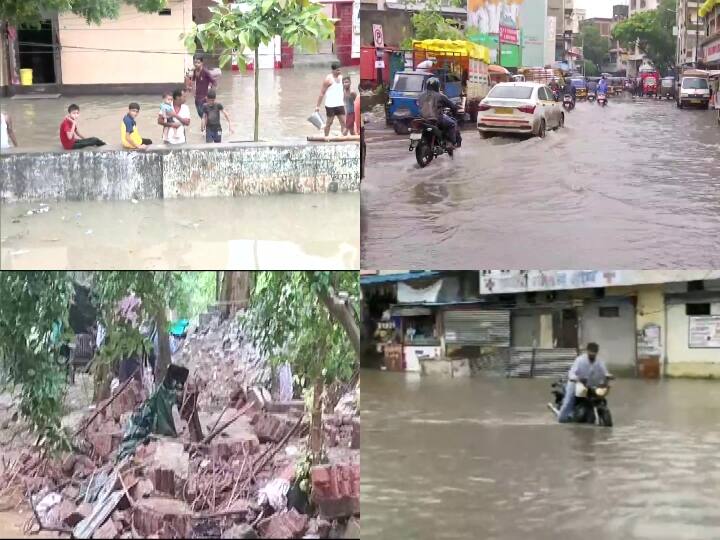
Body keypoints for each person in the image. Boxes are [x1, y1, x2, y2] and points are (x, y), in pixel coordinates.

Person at [558, 343, 610, 423]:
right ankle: (561, 419)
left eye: (594, 353)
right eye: (591, 353)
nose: (592, 355)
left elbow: (605, 372)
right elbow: (572, 373)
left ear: (597, 352)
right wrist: (576, 378)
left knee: (600, 397)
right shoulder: (580, 360)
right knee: (568, 402)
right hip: (576, 384)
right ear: (587, 351)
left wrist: (608, 376)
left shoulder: (599, 362)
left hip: (591, 385)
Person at [418, 77, 458, 149]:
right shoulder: (440, 96)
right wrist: (455, 110)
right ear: (437, 86)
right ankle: (450, 143)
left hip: (422, 119)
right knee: (452, 124)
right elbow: (452, 106)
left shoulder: (421, 95)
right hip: (436, 119)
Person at [315, 62, 345, 137]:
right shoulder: (328, 79)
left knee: (344, 122)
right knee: (329, 123)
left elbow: (343, 90)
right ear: (333, 70)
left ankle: (343, 138)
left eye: (340, 70)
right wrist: (317, 106)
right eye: (337, 70)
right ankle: (326, 137)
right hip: (330, 105)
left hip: (340, 104)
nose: (339, 72)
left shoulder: (342, 78)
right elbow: (322, 93)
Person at [190, 54, 217, 119]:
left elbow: (214, 82)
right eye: (195, 62)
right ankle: (205, 127)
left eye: (198, 62)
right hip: (197, 97)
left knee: (204, 116)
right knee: (200, 114)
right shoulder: (195, 71)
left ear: (202, 63)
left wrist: (210, 95)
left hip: (204, 98)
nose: (196, 64)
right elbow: (193, 81)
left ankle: (206, 127)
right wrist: (193, 93)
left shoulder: (205, 72)